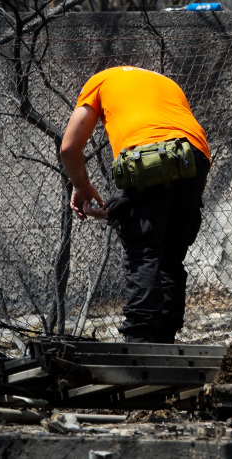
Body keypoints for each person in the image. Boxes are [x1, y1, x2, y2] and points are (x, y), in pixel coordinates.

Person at [60, 66, 211, 343]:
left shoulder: (99, 81)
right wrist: (118, 212)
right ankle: (165, 340)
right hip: (195, 157)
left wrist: (81, 185)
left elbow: (69, 148)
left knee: (145, 252)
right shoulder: (167, 82)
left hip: (147, 154)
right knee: (170, 256)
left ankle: (139, 343)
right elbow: (161, 196)